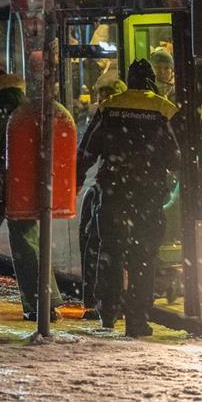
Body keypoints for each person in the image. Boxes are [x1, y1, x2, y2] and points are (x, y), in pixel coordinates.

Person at [76, 59, 180, 337]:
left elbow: (87, 149)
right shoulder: (162, 108)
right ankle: (136, 321)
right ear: (150, 82)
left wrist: (76, 181)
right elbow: (174, 157)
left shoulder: (109, 107)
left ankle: (107, 315)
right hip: (148, 196)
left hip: (113, 194)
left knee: (110, 253)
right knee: (142, 258)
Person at [0, 67, 63, 322]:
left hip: (0, 181)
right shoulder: (25, 106)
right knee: (28, 243)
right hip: (27, 181)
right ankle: (43, 304)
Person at [78, 76, 128, 318]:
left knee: (98, 245)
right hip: (139, 191)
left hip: (111, 189)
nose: (102, 100)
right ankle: (128, 306)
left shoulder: (105, 114)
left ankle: (103, 305)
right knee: (132, 251)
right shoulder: (146, 111)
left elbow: (88, 149)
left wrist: (76, 180)